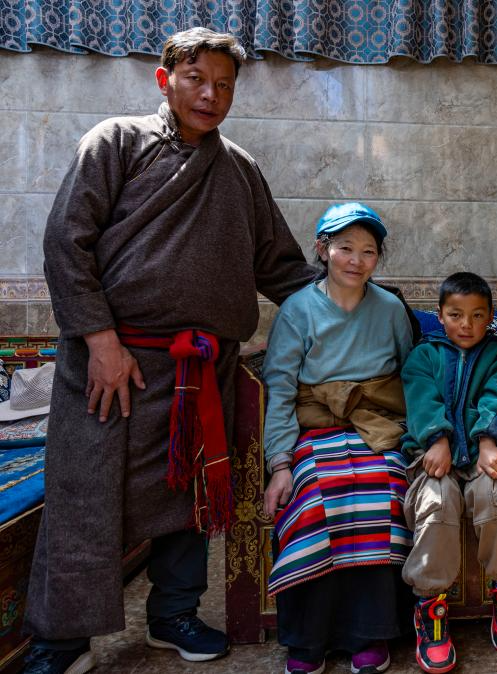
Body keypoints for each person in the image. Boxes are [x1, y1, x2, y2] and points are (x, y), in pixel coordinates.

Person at [25, 28, 317, 674]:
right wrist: (101, 341)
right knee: (84, 495)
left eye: (223, 85)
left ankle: (174, 615)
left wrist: (358, 298)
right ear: (165, 80)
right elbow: (66, 244)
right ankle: (61, 641)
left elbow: (281, 267)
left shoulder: (240, 170)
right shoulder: (115, 143)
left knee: (192, 494)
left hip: (202, 369)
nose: (210, 95)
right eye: (196, 79)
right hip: (112, 363)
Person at [262, 202, 414, 674]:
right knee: (312, 493)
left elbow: (410, 378)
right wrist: (280, 464)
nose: (356, 260)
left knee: (385, 489)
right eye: (346, 248)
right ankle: (308, 639)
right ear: (322, 249)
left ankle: (371, 633)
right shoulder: (298, 310)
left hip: (378, 427)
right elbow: (280, 388)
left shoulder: (390, 309)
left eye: (368, 251)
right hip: (316, 429)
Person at [400, 272, 497, 673]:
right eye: (455, 315)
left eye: (477, 315)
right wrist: (436, 438)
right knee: (436, 501)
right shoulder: (424, 355)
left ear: (491, 316)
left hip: (480, 454)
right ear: (439, 315)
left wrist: (488, 440)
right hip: (433, 455)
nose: (466, 325)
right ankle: (430, 606)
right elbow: (422, 399)